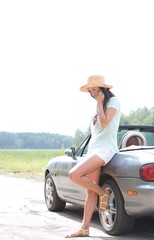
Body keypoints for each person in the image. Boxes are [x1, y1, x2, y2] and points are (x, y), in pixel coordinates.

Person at [65, 74, 121, 238]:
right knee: (90, 191)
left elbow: (105, 124)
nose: (93, 93)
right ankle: (84, 228)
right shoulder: (99, 105)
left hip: (105, 149)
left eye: (95, 89)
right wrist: (98, 104)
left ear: (103, 88)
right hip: (94, 149)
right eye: (91, 91)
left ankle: (102, 193)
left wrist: (99, 103)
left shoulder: (113, 102)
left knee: (73, 174)